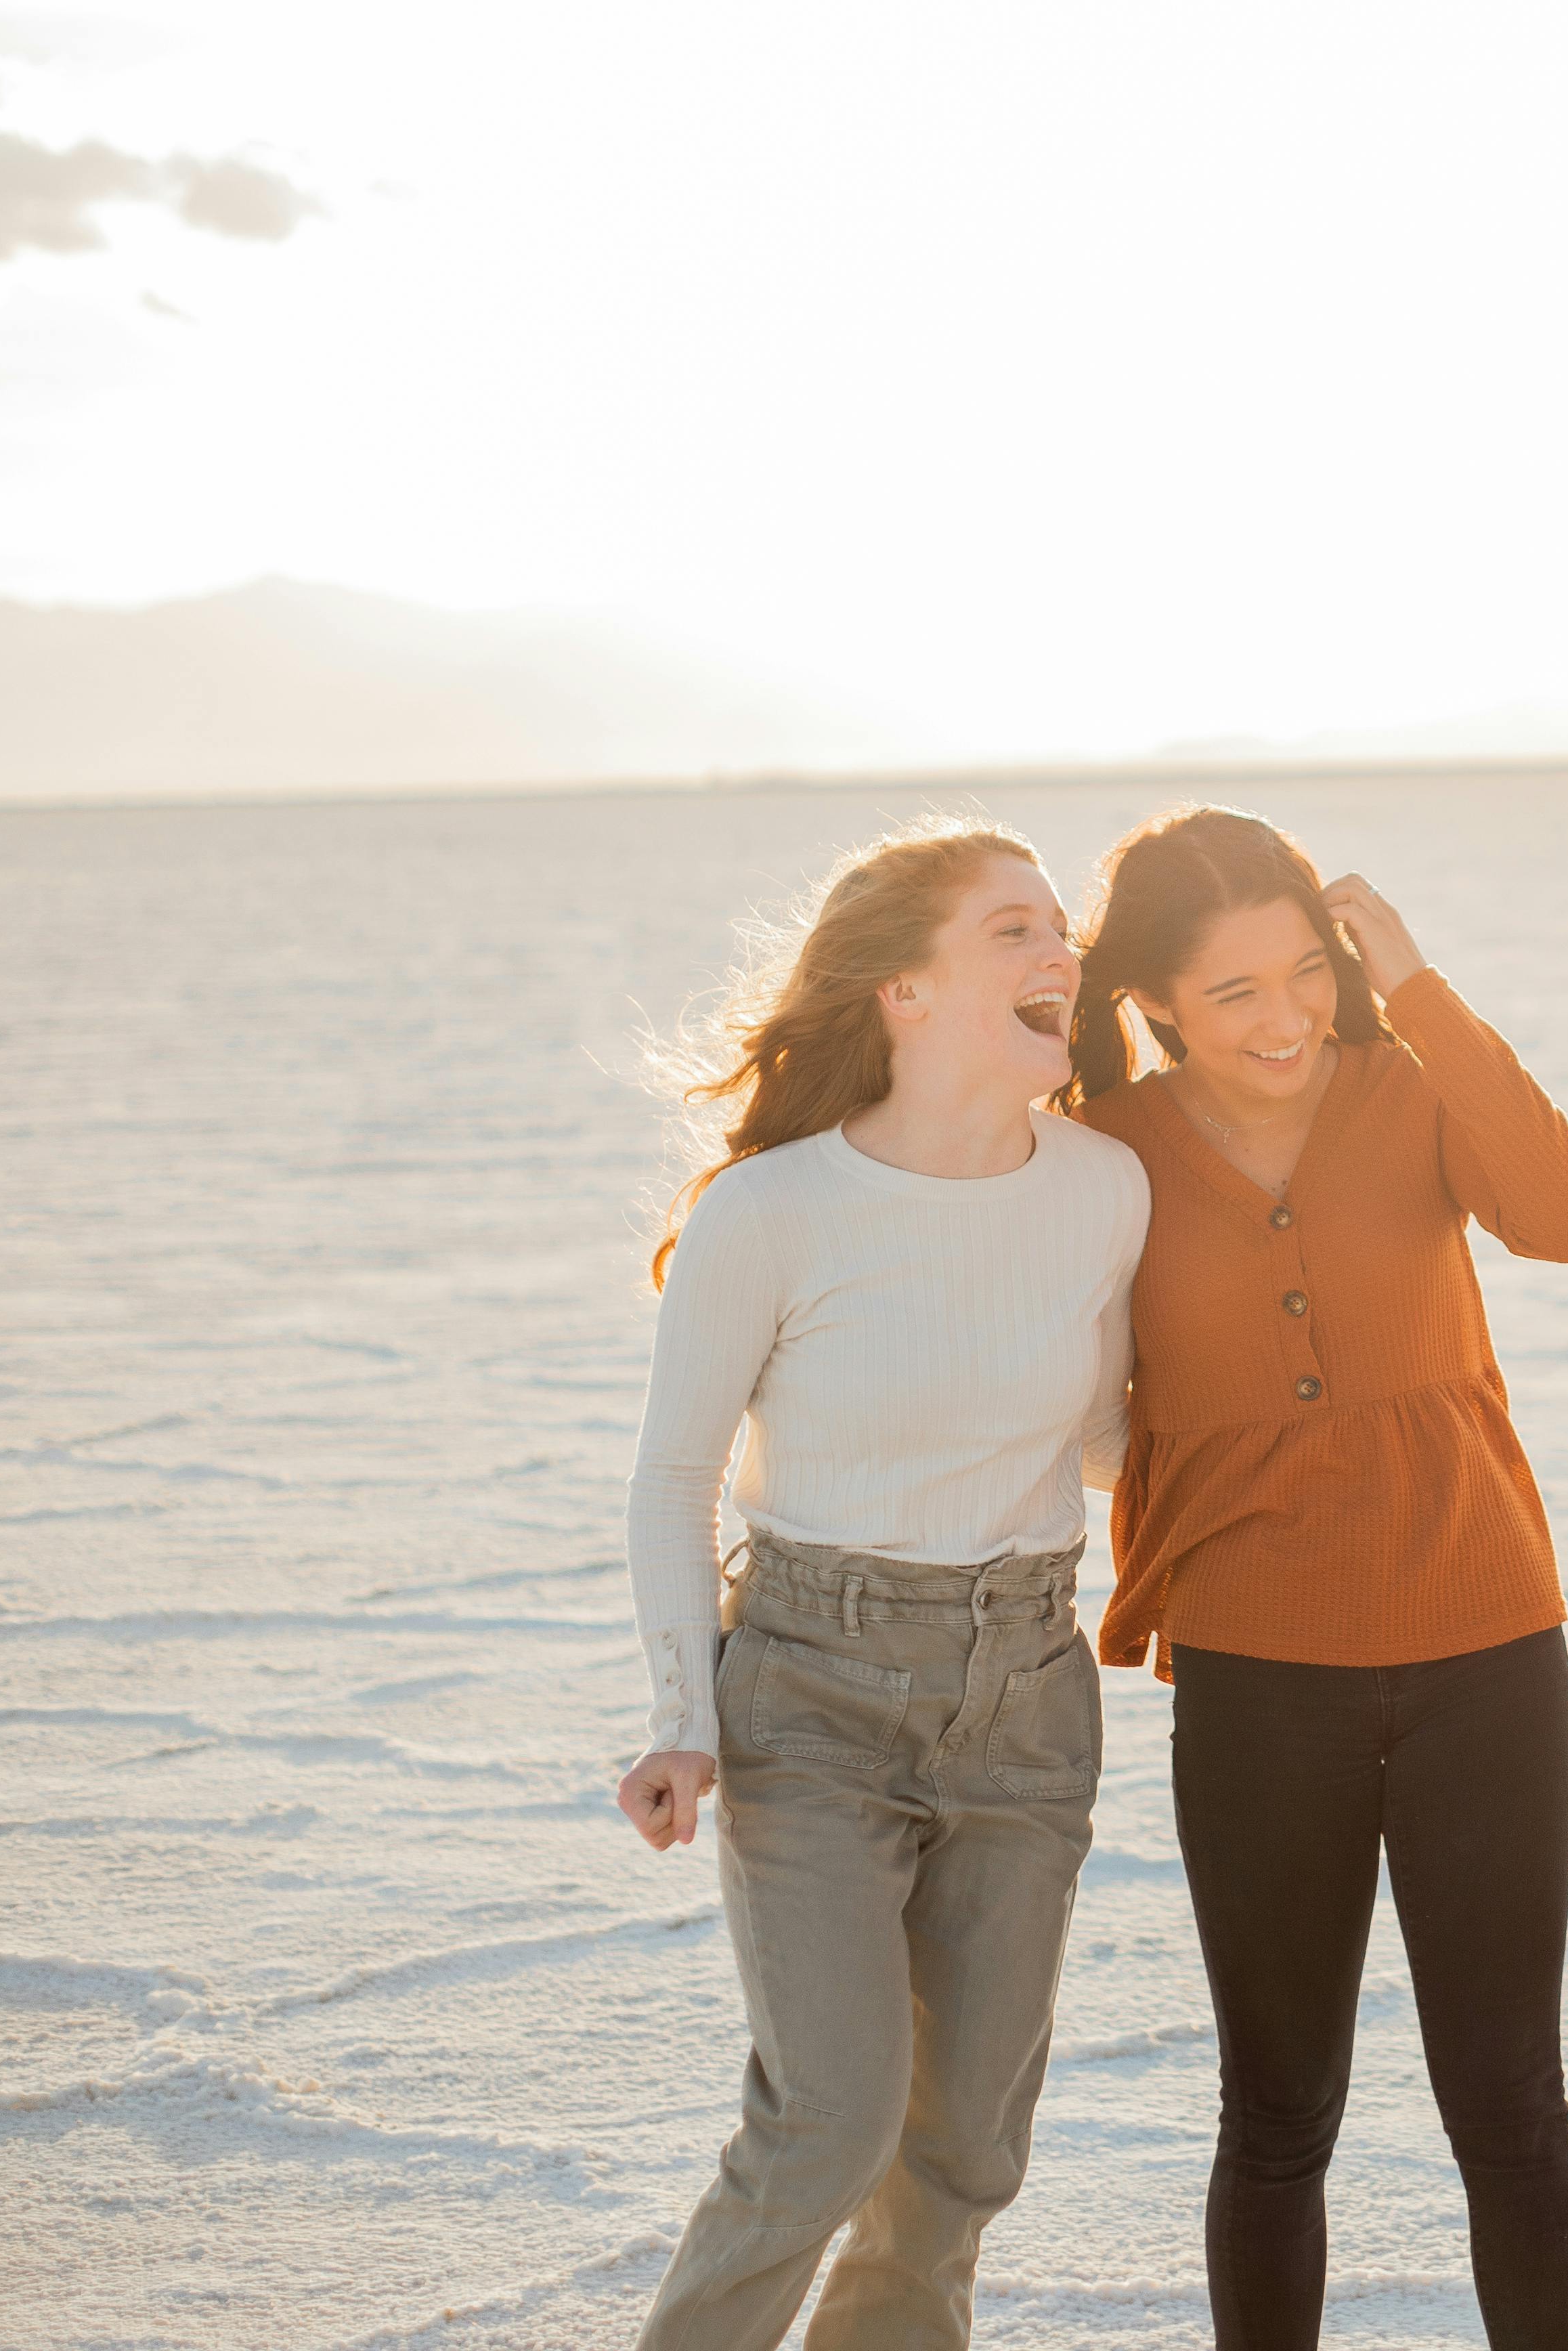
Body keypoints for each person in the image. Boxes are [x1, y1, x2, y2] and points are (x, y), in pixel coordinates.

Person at [1064, 806, 1568, 2351]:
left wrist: (1424, 991)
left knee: (1509, 2102)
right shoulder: (1105, 1153)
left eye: (1306, 971)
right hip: (1256, 1681)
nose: (1287, 1016)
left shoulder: (1410, 1086)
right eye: (1235, 991)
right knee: (1278, 2107)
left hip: (1489, 1652)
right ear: (1157, 999)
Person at [615, 819, 1152, 2350]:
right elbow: (673, 1477)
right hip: (811, 1691)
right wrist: (680, 1721)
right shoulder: (772, 1210)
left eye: (1063, 926)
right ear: (902, 991)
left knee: (960, 2158)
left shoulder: (1106, 1186)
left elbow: (1107, 1440)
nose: (1062, 952)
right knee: (828, 2126)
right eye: (1012, 929)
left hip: (1027, 1694)